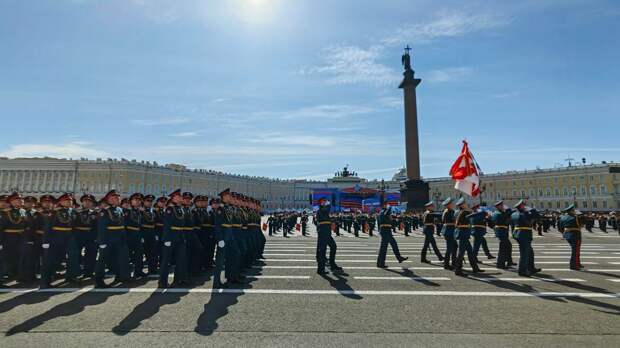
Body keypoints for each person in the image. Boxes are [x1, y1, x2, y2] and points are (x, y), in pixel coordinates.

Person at [40, 193, 80, 288]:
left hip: (69, 237)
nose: (69, 202)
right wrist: (46, 241)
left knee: (73, 257)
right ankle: (45, 281)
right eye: (66, 200)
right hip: (55, 237)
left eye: (70, 200)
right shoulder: (54, 212)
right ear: (61, 202)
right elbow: (48, 227)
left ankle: (71, 276)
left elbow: (74, 225)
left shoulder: (73, 212)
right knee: (50, 260)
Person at [95, 190, 131, 288]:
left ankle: (120, 276)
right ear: (109, 200)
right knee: (102, 260)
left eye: (118, 197)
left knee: (120, 259)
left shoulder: (119, 210)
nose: (117, 199)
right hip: (108, 239)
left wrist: (124, 238)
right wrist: (102, 241)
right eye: (114, 198)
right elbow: (101, 227)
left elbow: (122, 225)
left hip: (119, 238)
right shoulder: (104, 211)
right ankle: (99, 280)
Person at [159, 189, 191, 288]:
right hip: (171, 236)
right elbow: (167, 225)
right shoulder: (170, 209)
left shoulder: (179, 208)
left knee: (181, 259)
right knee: (166, 260)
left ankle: (180, 279)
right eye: (179, 196)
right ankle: (162, 282)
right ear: (174, 198)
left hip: (180, 236)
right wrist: (167, 239)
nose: (181, 198)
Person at [511, 199, 542, 277]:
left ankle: (531, 268)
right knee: (524, 253)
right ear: (521, 206)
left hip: (518, 234)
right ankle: (522, 271)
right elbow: (536, 216)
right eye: (524, 205)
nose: (525, 206)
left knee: (530, 252)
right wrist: (532, 209)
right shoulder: (523, 214)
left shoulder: (514, 214)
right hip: (524, 235)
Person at [454, 198, 484, 276]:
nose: (466, 204)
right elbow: (472, 215)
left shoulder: (459, 212)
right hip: (463, 233)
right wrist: (482, 213)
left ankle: (475, 268)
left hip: (464, 233)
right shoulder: (464, 212)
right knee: (461, 253)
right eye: (465, 203)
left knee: (470, 252)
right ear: (462, 205)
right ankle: (458, 270)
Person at [376, 202, 408, 268]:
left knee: (387, 247)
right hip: (385, 231)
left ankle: (381, 263)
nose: (387, 206)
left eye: (387, 205)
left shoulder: (385, 212)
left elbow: (392, 217)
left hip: (387, 231)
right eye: (386, 205)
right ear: (383, 205)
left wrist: (398, 217)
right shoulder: (383, 212)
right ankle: (397, 258)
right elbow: (388, 214)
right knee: (389, 246)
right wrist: (391, 207)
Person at [315, 198, 342, 275]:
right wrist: (328, 204)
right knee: (322, 250)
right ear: (320, 204)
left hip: (327, 232)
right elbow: (326, 210)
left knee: (333, 246)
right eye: (323, 202)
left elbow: (329, 216)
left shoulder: (325, 211)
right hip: (323, 232)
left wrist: (333, 220)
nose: (325, 202)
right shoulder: (320, 210)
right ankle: (320, 269)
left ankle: (332, 264)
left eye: (325, 201)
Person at [74, 194, 98, 279]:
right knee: (76, 255)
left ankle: (89, 272)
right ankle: (75, 272)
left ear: (92, 203)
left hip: (90, 235)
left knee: (91, 255)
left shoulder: (95, 213)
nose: (87, 203)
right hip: (78, 235)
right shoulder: (76, 212)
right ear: (82, 202)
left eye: (89, 201)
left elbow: (97, 226)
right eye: (85, 201)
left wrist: (96, 237)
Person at [490, 201, 516, 269]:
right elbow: (507, 215)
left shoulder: (499, 213)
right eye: (501, 205)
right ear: (498, 207)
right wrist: (508, 209)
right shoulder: (498, 213)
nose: (503, 206)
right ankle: (500, 264)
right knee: (503, 248)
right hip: (501, 232)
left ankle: (509, 261)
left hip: (503, 231)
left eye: (502, 205)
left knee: (508, 246)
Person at [559, 204, 584, 270]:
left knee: (576, 250)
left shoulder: (563, 217)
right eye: (574, 210)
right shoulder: (576, 217)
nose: (575, 211)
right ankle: (573, 265)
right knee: (575, 251)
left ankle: (577, 263)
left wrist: (563, 233)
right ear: (572, 211)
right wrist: (580, 214)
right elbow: (583, 222)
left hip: (567, 235)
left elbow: (560, 228)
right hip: (575, 235)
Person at [441, 198, 457, 270]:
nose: (452, 204)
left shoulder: (446, 211)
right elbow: (454, 220)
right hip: (450, 231)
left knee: (454, 246)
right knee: (450, 248)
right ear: (449, 205)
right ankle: (447, 264)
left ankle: (453, 262)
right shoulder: (450, 211)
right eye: (451, 203)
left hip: (448, 230)